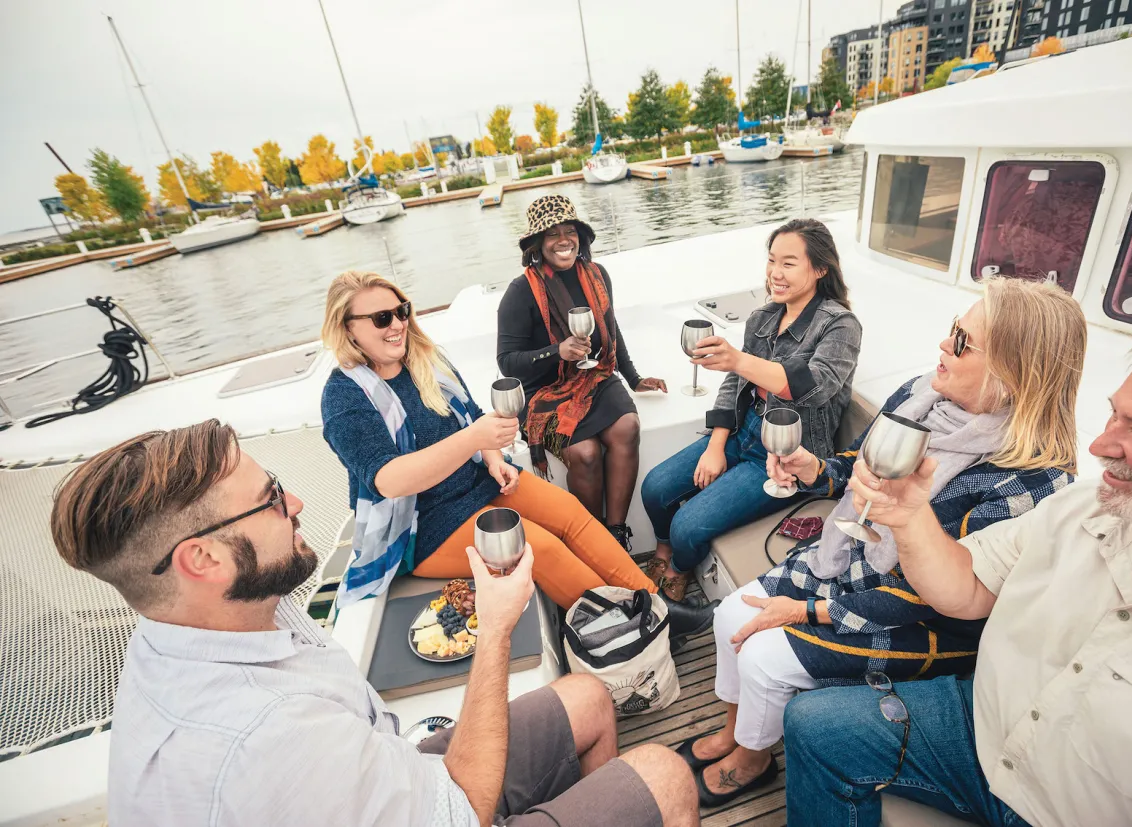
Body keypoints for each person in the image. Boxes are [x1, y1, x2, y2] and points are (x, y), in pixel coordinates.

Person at [49, 420, 701, 827]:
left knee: (588, 696)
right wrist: (496, 627)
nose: (297, 502)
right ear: (203, 558)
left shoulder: (203, 618)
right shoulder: (267, 738)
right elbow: (463, 811)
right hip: (447, 811)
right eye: (270, 498)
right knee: (665, 775)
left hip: (391, 782)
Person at [782, 315, 1132, 827]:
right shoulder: (1085, 506)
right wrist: (909, 518)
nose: (1100, 446)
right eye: (1113, 416)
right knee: (813, 724)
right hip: (978, 725)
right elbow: (967, 588)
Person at [678, 278, 1087, 807]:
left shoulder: (1029, 479)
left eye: (962, 342)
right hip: (858, 559)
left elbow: (941, 597)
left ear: (1012, 376)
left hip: (925, 616)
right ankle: (738, 735)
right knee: (730, 614)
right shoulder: (923, 396)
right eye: (951, 331)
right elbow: (859, 467)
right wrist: (813, 470)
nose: (944, 345)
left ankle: (752, 761)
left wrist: (807, 611)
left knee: (764, 658)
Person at [318, 270, 712, 639]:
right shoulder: (344, 396)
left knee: (573, 515)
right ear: (347, 327)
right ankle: (638, 631)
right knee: (542, 548)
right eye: (382, 318)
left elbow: (471, 416)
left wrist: (491, 458)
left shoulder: (424, 358)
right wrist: (475, 440)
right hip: (422, 525)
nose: (398, 324)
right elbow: (388, 480)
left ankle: (655, 606)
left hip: (478, 482)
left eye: (401, 311)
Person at [640, 218, 863, 603]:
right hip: (744, 430)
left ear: (820, 268)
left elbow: (813, 387)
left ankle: (677, 568)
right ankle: (662, 553)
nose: (775, 273)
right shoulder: (764, 317)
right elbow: (734, 384)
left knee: (687, 526)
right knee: (655, 488)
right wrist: (716, 445)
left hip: (788, 455)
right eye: (772, 260)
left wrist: (738, 359)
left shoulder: (841, 326)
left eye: (789, 263)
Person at [497, 194, 667, 551]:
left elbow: (611, 327)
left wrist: (633, 377)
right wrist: (555, 351)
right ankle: (594, 543)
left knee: (627, 426)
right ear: (537, 244)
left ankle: (616, 534)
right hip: (544, 393)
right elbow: (507, 361)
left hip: (593, 378)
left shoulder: (596, 274)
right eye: (552, 233)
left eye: (570, 230)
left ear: (582, 236)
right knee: (585, 454)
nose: (564, 240)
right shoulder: (520, 291)